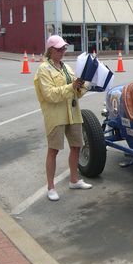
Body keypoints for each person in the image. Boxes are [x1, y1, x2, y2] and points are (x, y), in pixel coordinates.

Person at [34, 35, 92, 201]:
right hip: (55, 115)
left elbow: (76, 92)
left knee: (76, 146)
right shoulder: (44, 69)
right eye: (59, 49)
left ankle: (74, 180)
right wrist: (71, 87)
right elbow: (50, 95)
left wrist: (82, 86)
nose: (63, 52)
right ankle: (51, 187)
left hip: (73, 112)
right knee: (53, 150)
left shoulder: (66, 67)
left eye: (64, 48)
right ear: (50, 50)